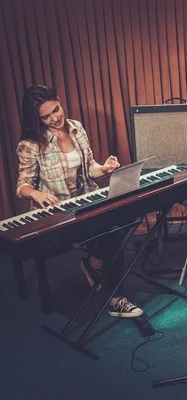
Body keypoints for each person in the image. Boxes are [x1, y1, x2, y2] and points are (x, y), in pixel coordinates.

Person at [16, 84, 143, 318]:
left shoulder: (77, 128)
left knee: (128, 216)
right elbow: (22, 186)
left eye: (56, 110)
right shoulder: (30, 145)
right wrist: (36, 194)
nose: (55, 118)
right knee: (112, 231)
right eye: (46, 117)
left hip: (87, 202)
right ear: (36, 119)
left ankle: (94, 263)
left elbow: (89, 168)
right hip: (59, 214)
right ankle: (117, 299)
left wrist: (104, 168)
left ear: (59, 99)